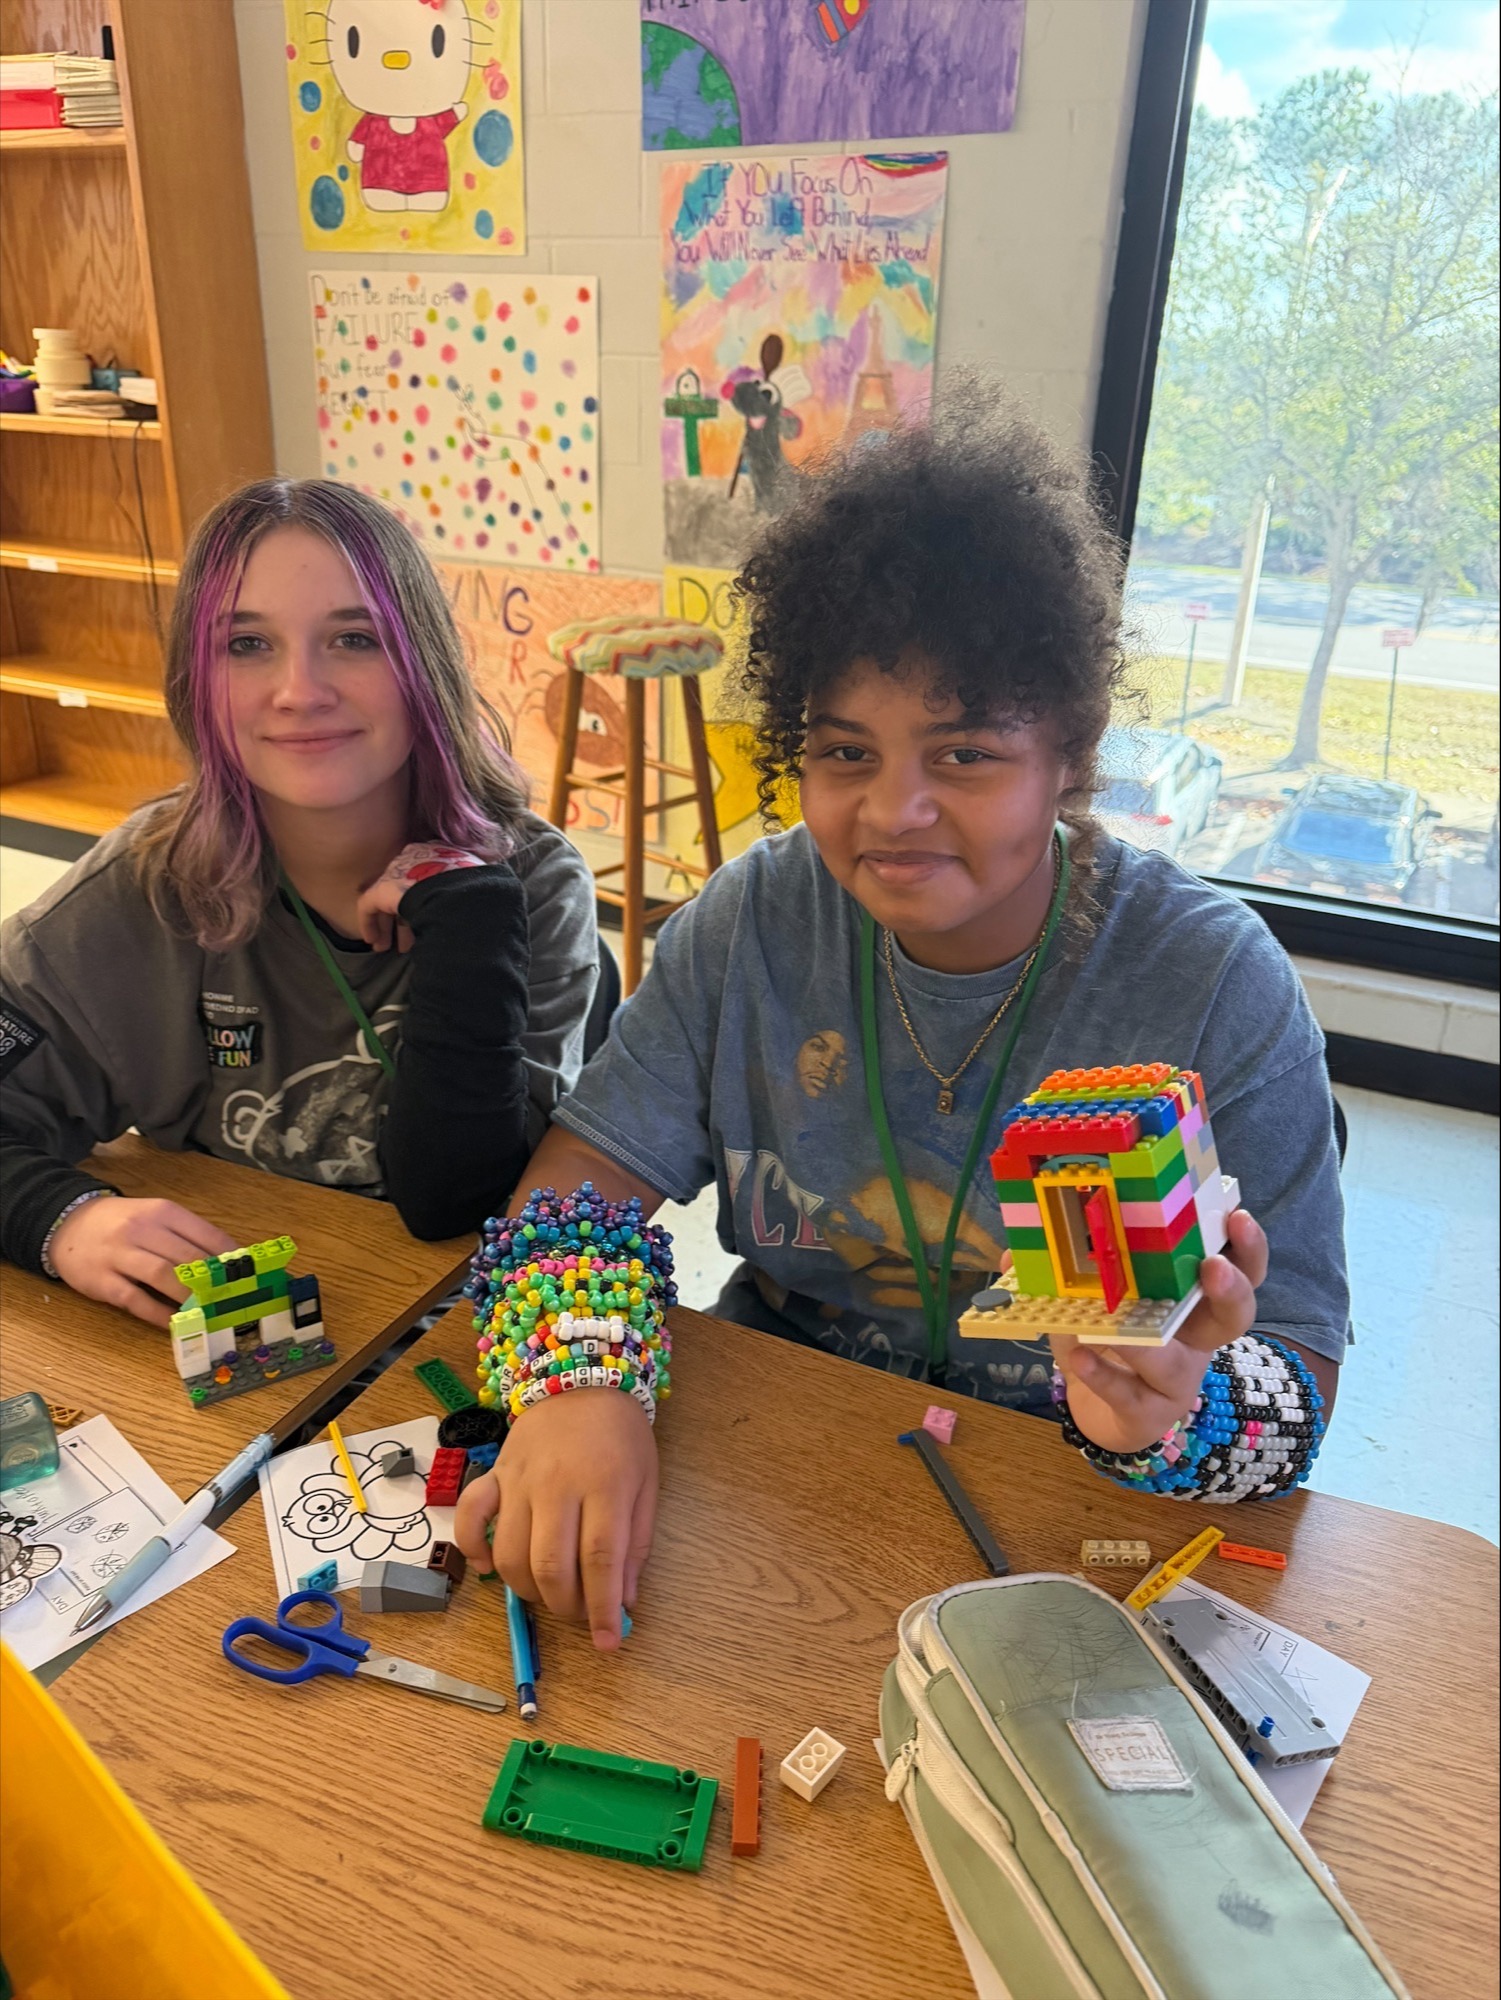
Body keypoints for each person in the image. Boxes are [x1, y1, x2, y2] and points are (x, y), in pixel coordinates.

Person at [454, 394, 1349, 1651]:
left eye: (966, 754)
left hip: (1067, 1521)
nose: (895, 810)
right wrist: (578, 1378)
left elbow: (1298, 1376)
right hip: (778, 1481)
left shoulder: (1209, 982)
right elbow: (568, 1195)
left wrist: (1177, 1413)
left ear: (1070, 759)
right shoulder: (753, 921)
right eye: (843, 752)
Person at [0, 478, 598, 1324]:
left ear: (422, 663)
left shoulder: (527, 884)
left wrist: (468, 920)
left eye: (354, 638)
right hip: (240, 1340)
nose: (300, 690)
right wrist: (63, 1219)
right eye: (246, 644)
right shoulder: (145, 886)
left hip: (461, 1333)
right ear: (194, 681)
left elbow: (456, 1201)